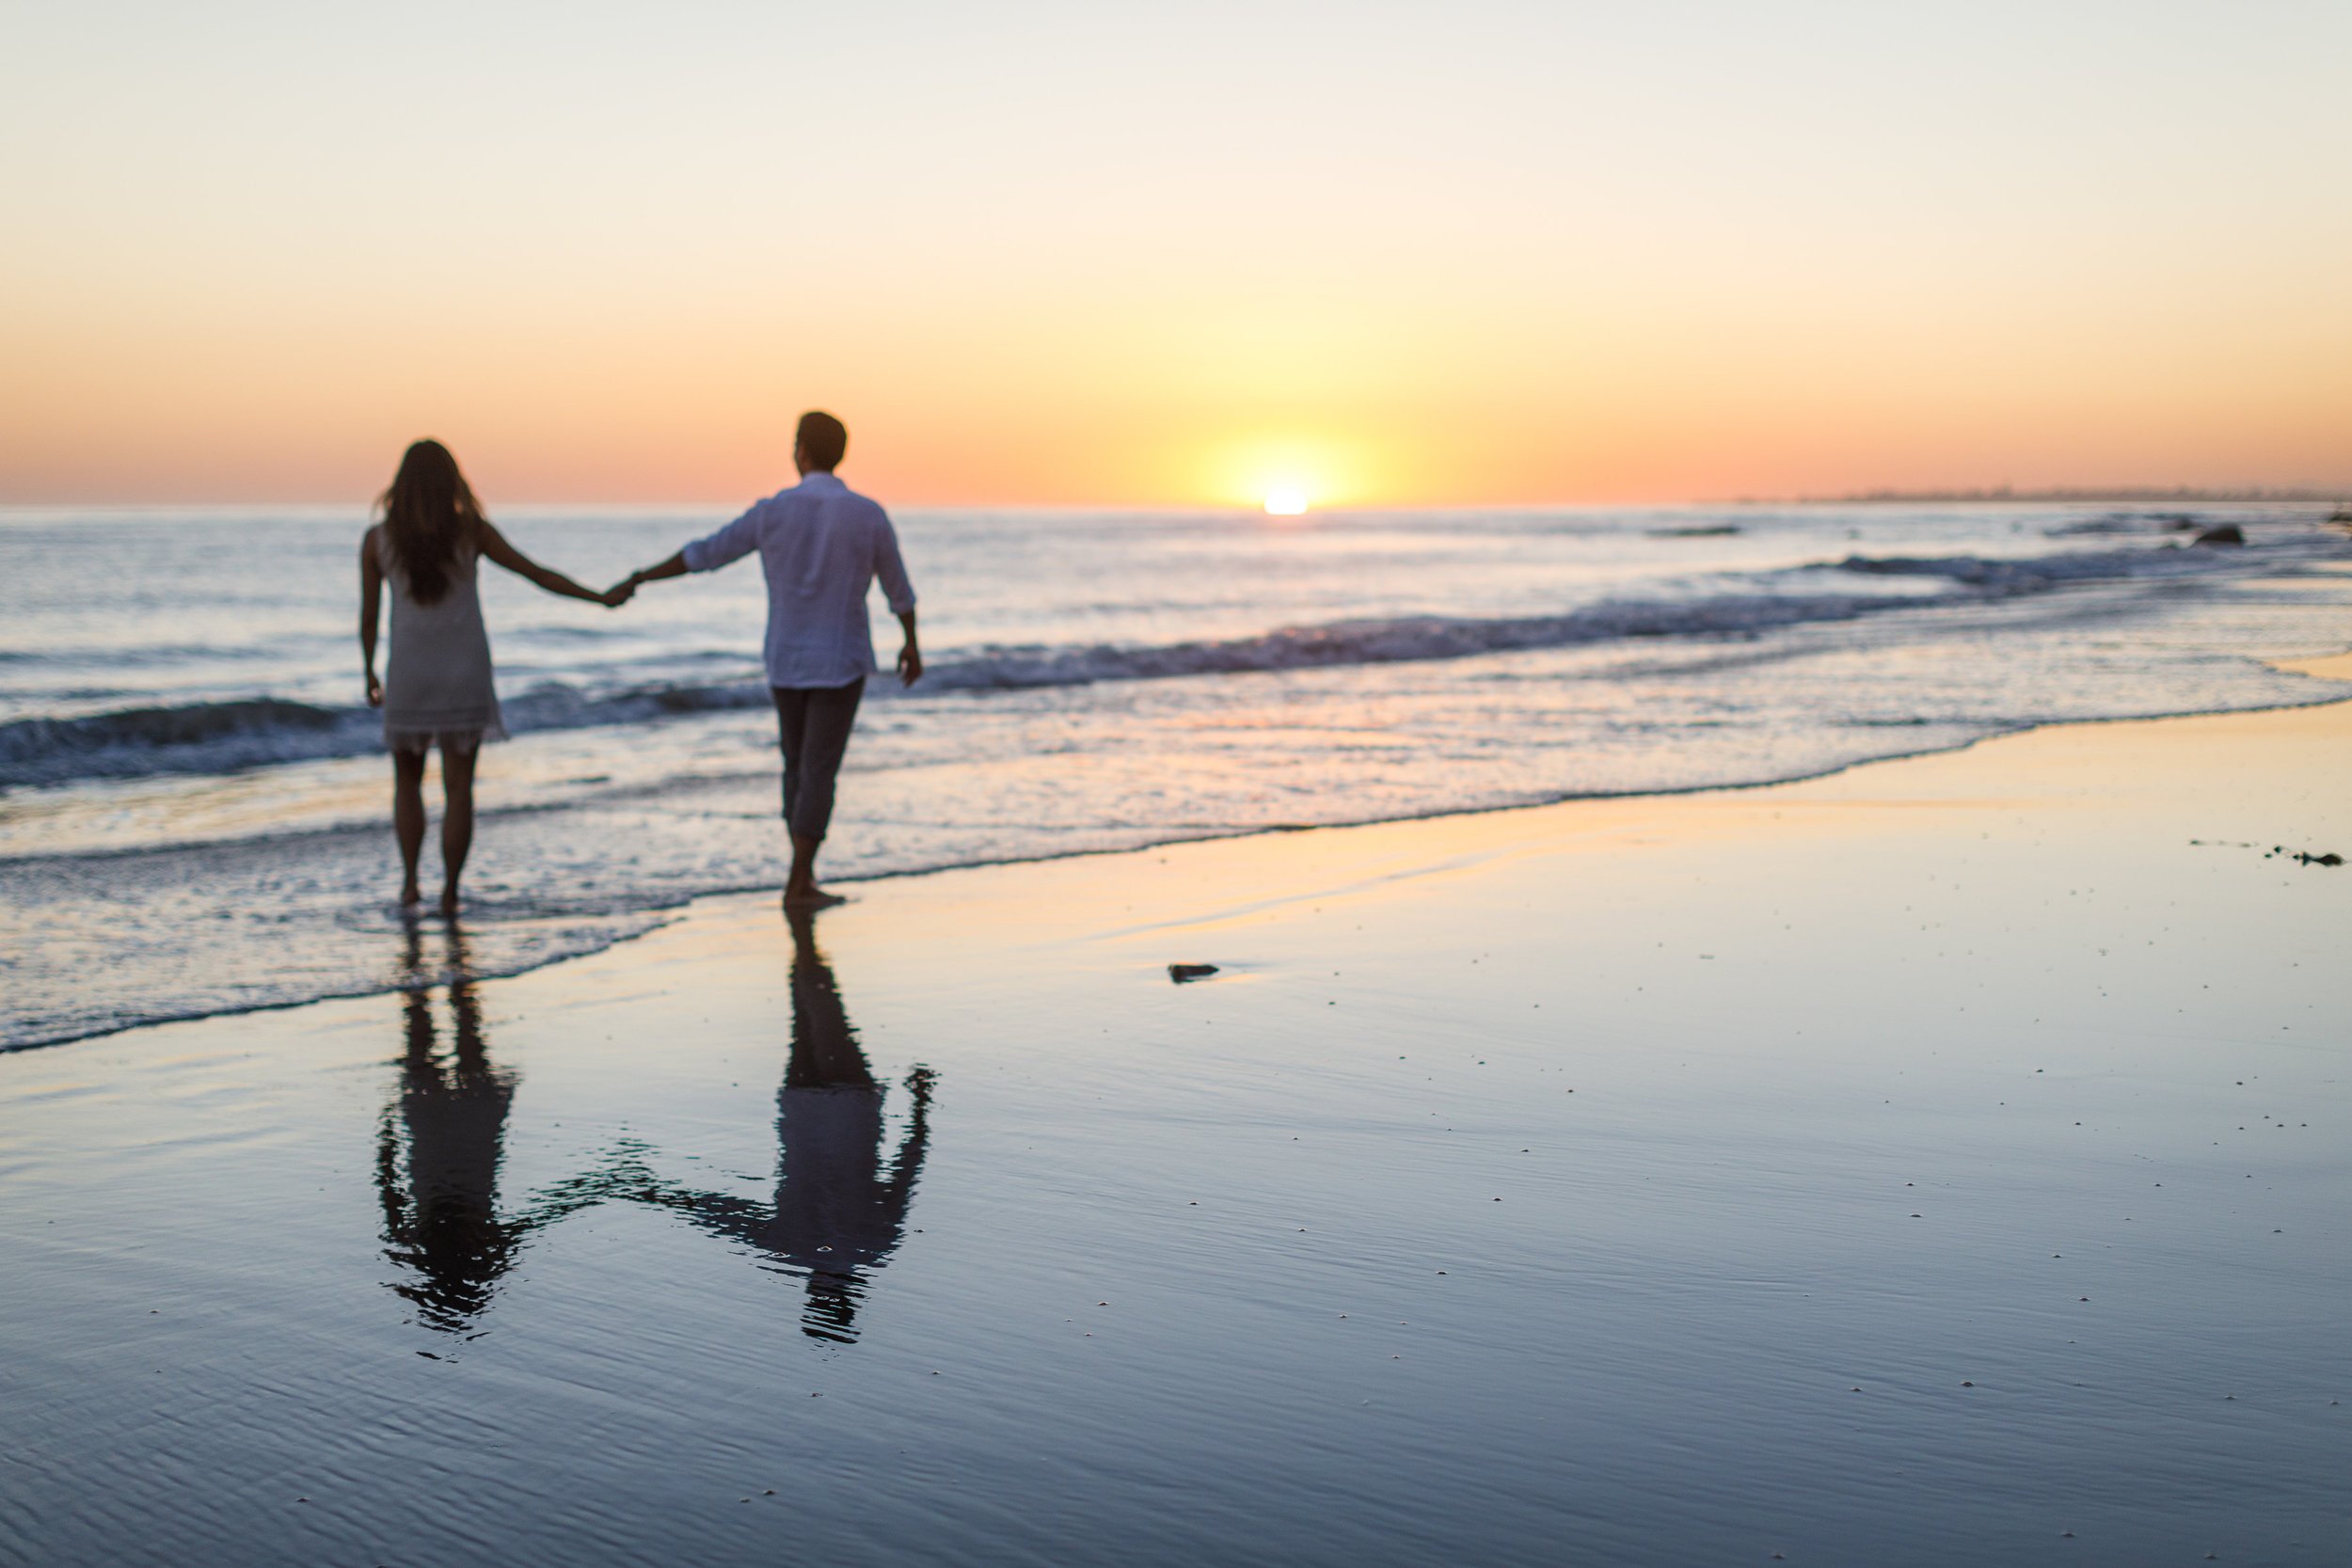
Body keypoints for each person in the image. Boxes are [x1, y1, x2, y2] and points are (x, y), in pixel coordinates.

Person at [612, 410, 919, 908]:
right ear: (839, 453)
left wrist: (641, 577)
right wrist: (911, 643)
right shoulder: (867, 513)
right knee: (819, 768)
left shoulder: (772, 511)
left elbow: (704, 555)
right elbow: (898, 589)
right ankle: (800, 880)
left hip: (786, 658)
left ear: (801, 450)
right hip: (841, 660)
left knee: (795, 765)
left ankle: (800, 874)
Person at [360, 438, 624, 915]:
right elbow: (536, 574)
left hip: (410, 673)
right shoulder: (471, 533)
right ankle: (450, 893)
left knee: (407, 781)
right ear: (451, 481)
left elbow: (368, 617)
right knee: (460, 787)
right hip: (464, 670)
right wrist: (598, 597)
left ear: (402, 483)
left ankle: (410, 885)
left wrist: (369, 672)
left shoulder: (378, 541)